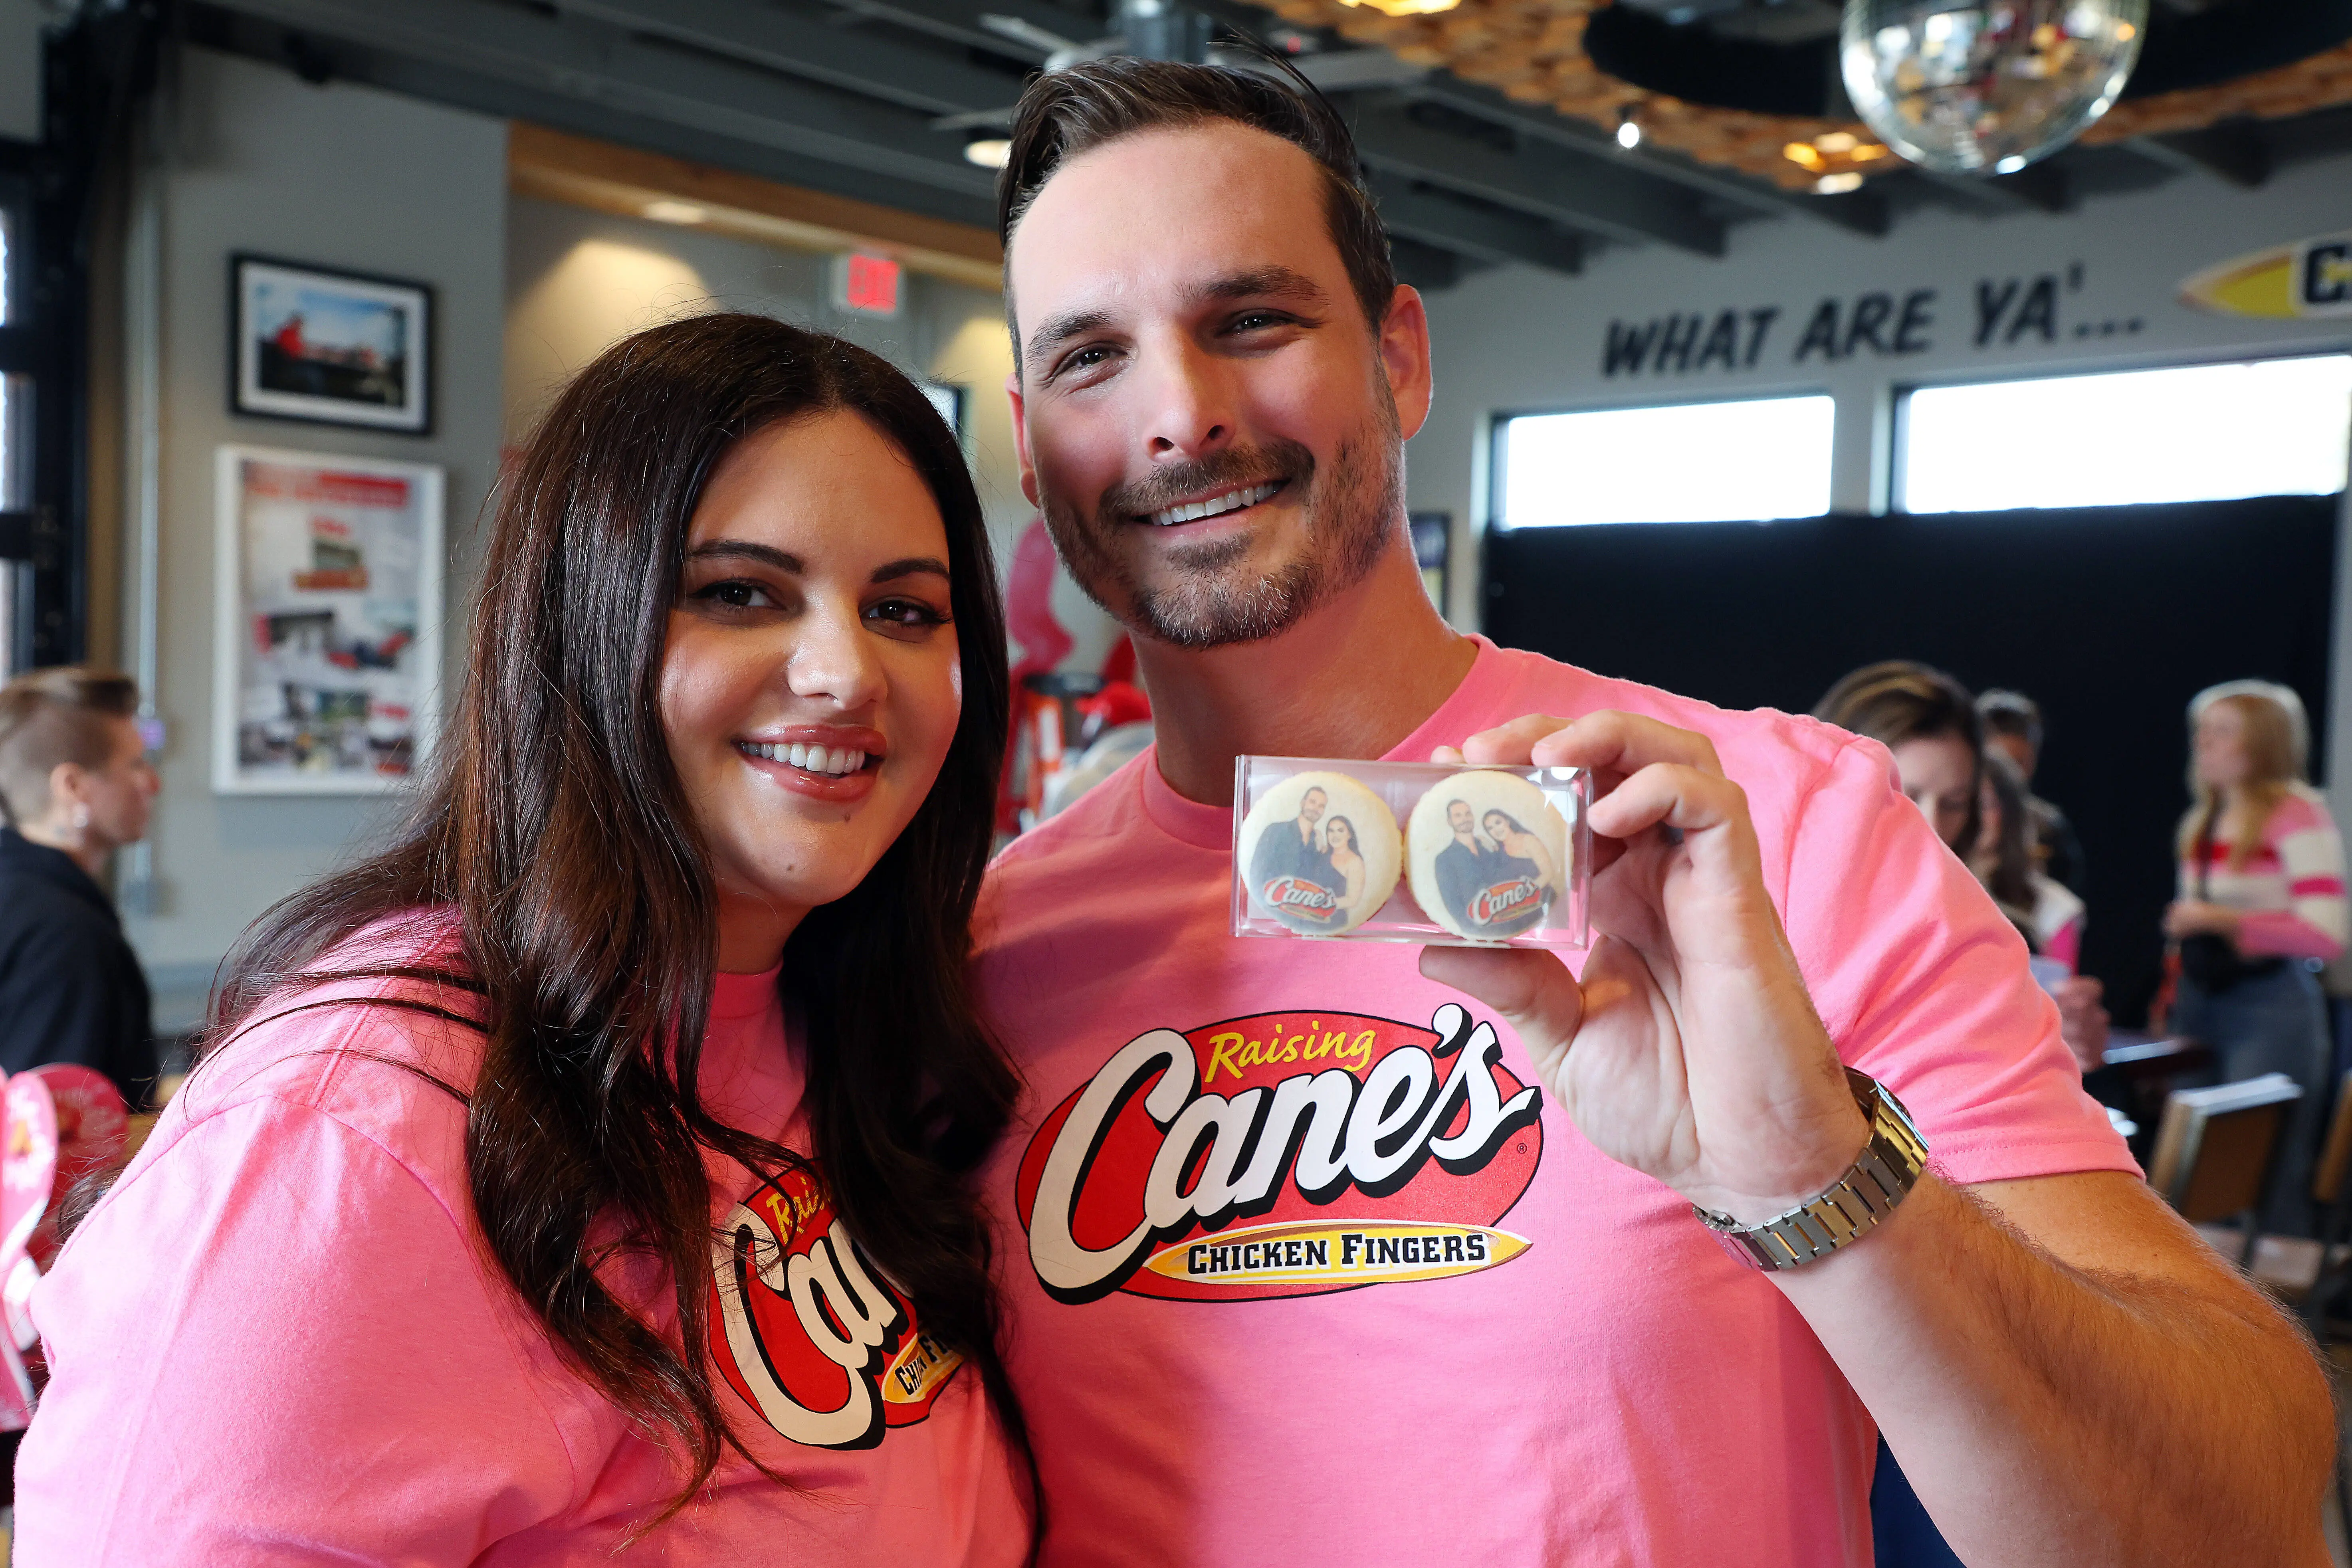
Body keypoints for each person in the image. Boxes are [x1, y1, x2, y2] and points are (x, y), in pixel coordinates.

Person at [973, 56, 2328, 1567]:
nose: (1180, 414)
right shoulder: (976, 956)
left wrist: (1807, 1172)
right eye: (1092, 357)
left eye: (1250, 320)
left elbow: (2241, 1522)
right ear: (1028, 443)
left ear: (1399, 358)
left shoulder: (1774, 834)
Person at [18, 315, 1034, 1562]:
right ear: (576, 628)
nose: (845, 671)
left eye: (904, 609)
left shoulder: (851, 1022)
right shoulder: (351, 1134)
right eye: (739, 593)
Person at [1816, 661, 2107, 1071]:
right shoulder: (1763, 915)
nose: (1931, 827)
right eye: (1901, 795)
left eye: (1953, 804)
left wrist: (2056, 1049)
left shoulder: (1985, 931)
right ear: (1833, 785)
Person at [2164, 679, 2346, 1235]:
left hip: (2270, 1006)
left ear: (2261, 744)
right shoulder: (2204, 818)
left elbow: (2326, 935)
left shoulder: (2297, 814)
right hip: (2199, 999)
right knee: (2189, 1168)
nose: (2203, 744)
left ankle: (2270, 1290)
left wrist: (2223, 921)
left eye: (2222, 732)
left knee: (2266, 1171)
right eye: (2201, 731)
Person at [0, 666, 162, 1107]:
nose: (154, 783)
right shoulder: (64, 934)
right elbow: (60, 1130)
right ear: (73, 787)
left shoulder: (21, 895)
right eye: (135, 764)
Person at [1976, 749, 2085, 973]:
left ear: (2010, 813)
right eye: (1957, 802)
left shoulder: (2052, 908)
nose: (1971, 816)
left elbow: (2055, 985)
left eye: (1984, 804)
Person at [1979, 687, 2088, 898]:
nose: (2012, 776)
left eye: (2021, 763)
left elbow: (2068, 895)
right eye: (2003, 764)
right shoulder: (1951, 819)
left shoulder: (2049, 828)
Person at [1320, 813, 1371, 922]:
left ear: (1349, 835)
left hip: (1334, 920)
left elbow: (1352, 900)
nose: (1335, 836)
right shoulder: (1324, 854)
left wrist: (1320, 905)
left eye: (1341, 831)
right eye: (1331, 831)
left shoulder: (1355, 862)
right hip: (1311, 916)